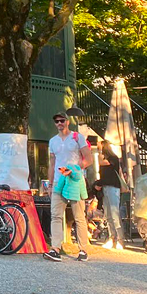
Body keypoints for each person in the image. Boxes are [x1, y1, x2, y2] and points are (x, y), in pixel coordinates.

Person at [44, 112, 92, 263]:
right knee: (56, 215)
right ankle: (55, 249)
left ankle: (83, 250)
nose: (59, 123)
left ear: (67, 121)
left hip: (74, 180)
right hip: (59, 181)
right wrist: (50, 185)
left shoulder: (77, 137)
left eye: (62, 120)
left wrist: (75, 169)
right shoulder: (53, 141)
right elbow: (52, 163)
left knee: (79, 216)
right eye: (56, 121)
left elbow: (89, 159)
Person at [98, 144, 126, 249]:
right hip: (106, 187)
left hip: (113, 187)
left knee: (114, 213)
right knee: (108, 214)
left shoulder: (113, 159)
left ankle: (120, 239)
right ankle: (112, 237)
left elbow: (111, 172)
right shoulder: (105, 159)